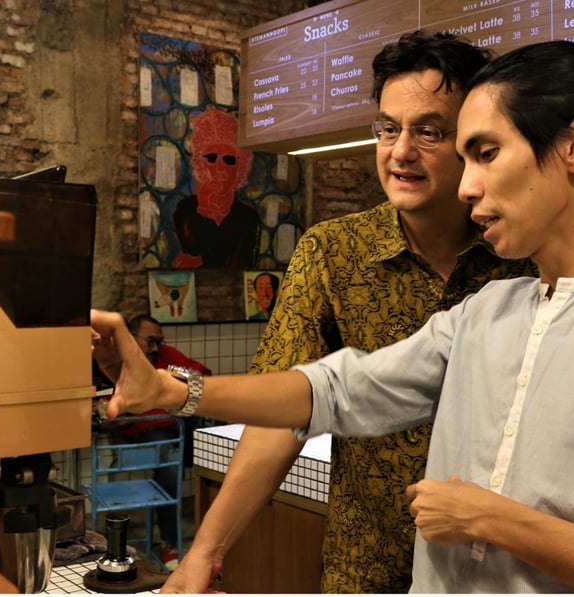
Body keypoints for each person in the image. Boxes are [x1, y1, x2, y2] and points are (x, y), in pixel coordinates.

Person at [91, 40, 574, 593]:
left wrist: (494, 519)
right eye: (390, 129)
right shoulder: (487, 310)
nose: (468, 186)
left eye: (483, 152)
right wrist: (176, 391)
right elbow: (338, 388)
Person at [168, 29, 533, 594]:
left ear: (475, 142)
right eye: (388, 129)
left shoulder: (525, 259)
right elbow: (286, 405)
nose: (400, 152)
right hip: (366, 564)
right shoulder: (333, 253)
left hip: (499, 570)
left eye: (429, 132)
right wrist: (203, 554)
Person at [93, 314, 212, 571]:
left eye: (160, 341)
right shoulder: (115, 361)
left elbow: (202, 374)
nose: (156, 348)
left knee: (214, 436)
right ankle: (169, 542)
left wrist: (173, 380)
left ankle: (211, 540)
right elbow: (102, 402)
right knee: (170, 460)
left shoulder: (165, 356)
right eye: (151, 341)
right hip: (149, 433)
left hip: (178, 426)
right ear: (132, 339)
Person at [173, 107, 260, 268]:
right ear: (200, 162)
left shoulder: (248, 219)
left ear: (240, 168)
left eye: (229, 159)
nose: (219, 167)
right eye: (211, 157)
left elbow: (241, 264)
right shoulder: (185, 211)